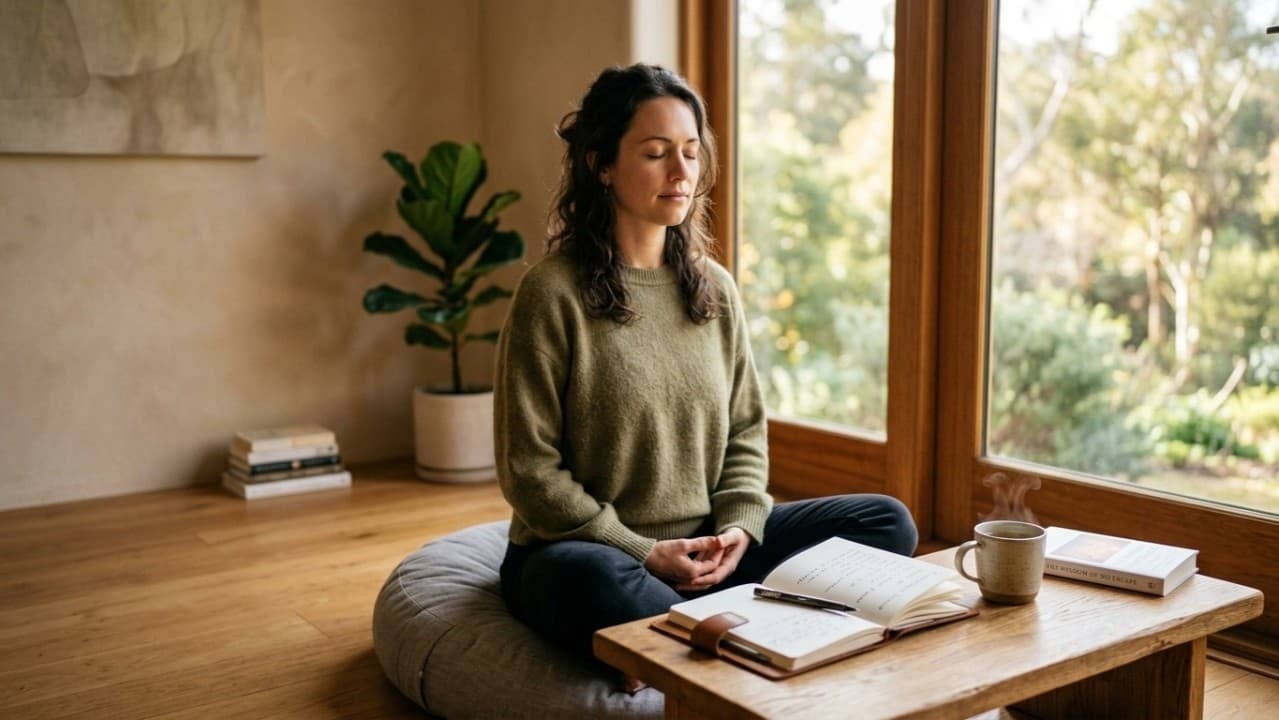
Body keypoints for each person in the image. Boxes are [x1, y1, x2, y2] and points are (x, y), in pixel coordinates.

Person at [493, 63, 918, 672]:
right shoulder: (551, 294)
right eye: (656, 152)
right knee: (597, 587)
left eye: (691, 153)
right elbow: (529, 472)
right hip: (589, 550)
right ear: (602, 164)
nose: (681, 172)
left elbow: (745, 430)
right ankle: (742, 622)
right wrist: (643, 550)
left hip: (710, 547)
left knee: (887, 522)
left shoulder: (713, 289)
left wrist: (740, 529)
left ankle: (695, 620)